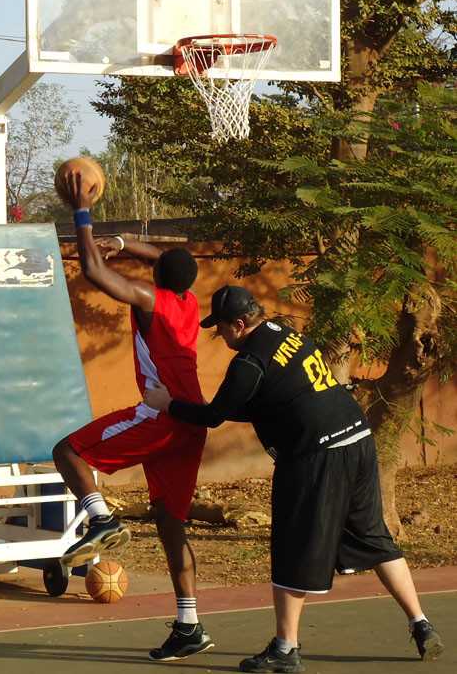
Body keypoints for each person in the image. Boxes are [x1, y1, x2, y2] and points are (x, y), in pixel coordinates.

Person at [144, 284, 444, 672]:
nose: (221, 336)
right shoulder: (285, 335)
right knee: (374, 538)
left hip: (316, 454)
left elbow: (214, 416)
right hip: (356, 437)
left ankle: (285, 649)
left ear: (239, 323)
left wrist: (168, 404)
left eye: (222, 328)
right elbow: (269, 401)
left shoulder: (248, 362)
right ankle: (421, 625)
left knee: (291, 549)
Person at [52, 169, 213, 662]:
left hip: (162, 416)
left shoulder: (153, 301)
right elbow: (168, 260)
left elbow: (95, 274)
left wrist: (82, 211)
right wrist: (123, 240)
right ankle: (189, 624)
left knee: (68, 451)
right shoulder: (187, 299)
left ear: (157, 278)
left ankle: (99, 518)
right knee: (170, 522)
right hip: (194, 422)